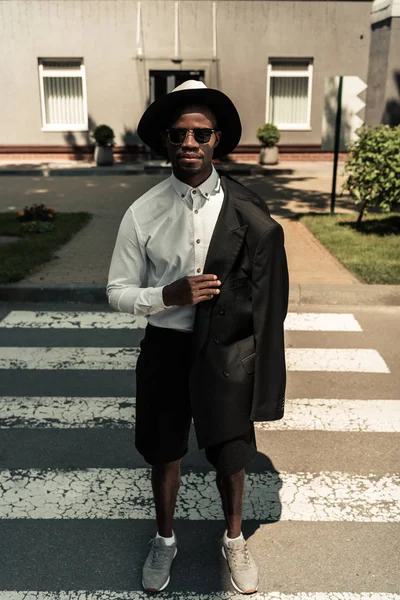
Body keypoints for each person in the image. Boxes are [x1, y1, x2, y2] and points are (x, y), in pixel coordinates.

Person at [107, 80, 288, 594]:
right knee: (164, 452)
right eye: (178, 134)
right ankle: (164, 540)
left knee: (231, 455)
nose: (190, 143)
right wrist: (167, 295)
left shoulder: (248, 211)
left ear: (217, 140)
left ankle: (233, 540)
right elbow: (117, 291)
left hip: (227, 350)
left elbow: (269, 297)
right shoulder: (142, 212)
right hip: (166, 348)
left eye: (201, 134)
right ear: (166, 141)